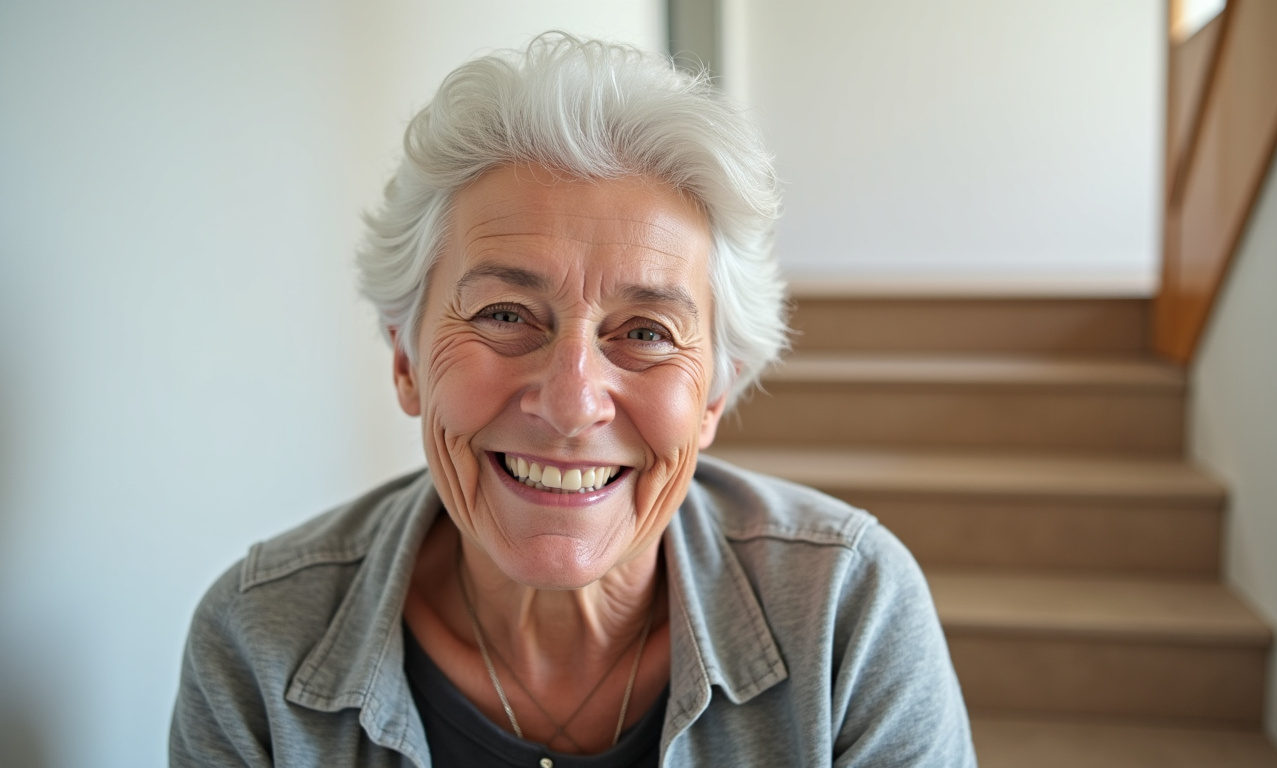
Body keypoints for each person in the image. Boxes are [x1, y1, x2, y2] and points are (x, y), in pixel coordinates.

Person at [170, 32, 975, 767]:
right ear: (406, 360)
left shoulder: (849, 613)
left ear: (713, 394)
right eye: (505, 316)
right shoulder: (256, 642)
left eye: (648, 332)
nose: (571, 403)